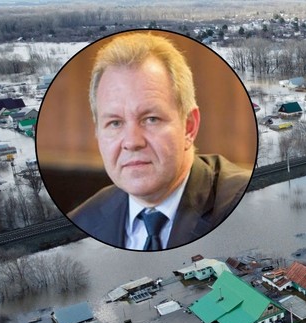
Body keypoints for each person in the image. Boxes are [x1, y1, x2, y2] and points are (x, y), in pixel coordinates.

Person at [68, 32, 252, 251]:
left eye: (151, 119)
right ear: (97, 133)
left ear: (189, 127)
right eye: (115, 123)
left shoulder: (241, 203)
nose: (132, 142)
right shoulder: (83, 220)